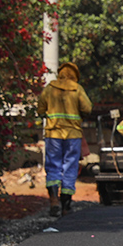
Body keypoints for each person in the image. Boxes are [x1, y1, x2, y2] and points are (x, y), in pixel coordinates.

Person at [37, 61, 92, 217]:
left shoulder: (50, 88)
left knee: (53, 166)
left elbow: (40, 109)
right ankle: (66, 206)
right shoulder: (77, 89)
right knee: (70, 168)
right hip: (73, 135)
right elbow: (87, 108)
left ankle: (54, 200)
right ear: (75, 75)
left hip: (53, 134)